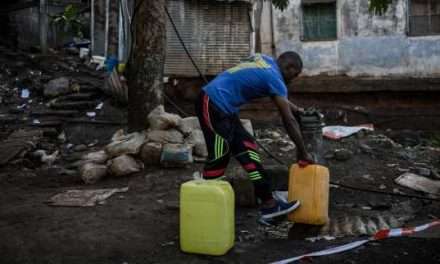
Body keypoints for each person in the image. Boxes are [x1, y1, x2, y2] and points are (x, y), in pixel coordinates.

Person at [195, 51, 314, 223]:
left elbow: (252, 76)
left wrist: (296, 108)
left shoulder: (264, 60)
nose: (293, 79)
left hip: (228, 110)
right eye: (294, 75)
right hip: (211, 102)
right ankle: (205, 209)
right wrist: (303, 152)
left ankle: (269, 206)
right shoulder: (275, 79)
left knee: (249, 151)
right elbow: (288, 120)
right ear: (289, 67)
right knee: (220, 154)